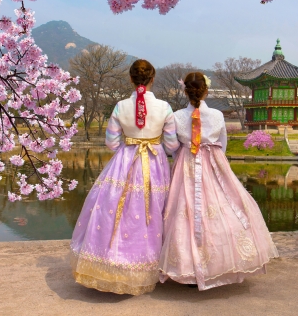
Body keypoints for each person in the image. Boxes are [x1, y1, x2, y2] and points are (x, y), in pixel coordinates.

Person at [159, 72, 278, 290]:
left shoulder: (176, 116)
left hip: (186, 163)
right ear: (206, 91)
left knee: (183, 211)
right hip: (214, 163)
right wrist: (214, 160)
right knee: (222, 208)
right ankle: (217, 264)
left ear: (185, 91)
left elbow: (172, 147)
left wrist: (183, 157)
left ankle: (188, 268)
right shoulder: (217, 115)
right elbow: (222, 144)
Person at [70, 59, 179, 296]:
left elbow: (110, 143)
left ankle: (112, 263)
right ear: (153, 79)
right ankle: (148, 266)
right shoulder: (164, 108)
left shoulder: (120, 106)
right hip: (154, 164)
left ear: (131, 79)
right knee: (151, 212)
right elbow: (171, 144)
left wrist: (130, 141)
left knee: (117, 211)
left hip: (125, 162)